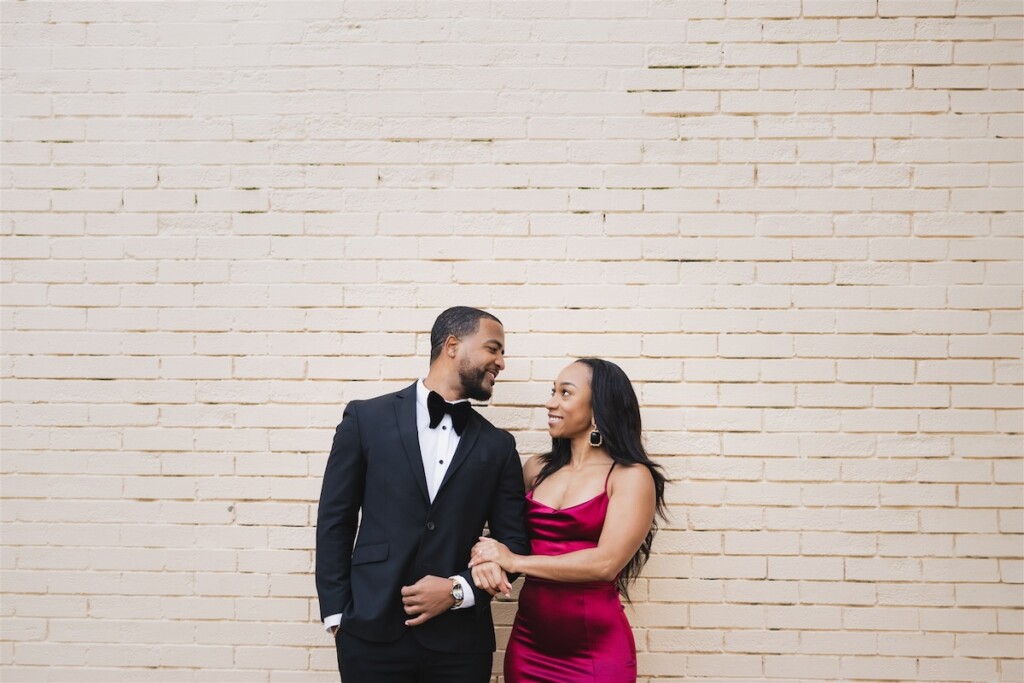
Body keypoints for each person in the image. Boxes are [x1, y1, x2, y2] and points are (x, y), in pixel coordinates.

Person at [316, 306, 530, 683]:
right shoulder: (366, 419)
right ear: (452, 345)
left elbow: (513, 542)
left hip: (460, 645)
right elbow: (336, 520)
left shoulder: (499, 446)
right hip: (368, 634)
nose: (500, 363)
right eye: (493, 349)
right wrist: (337, 616)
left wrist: (457, 590)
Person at [469, 358, 668, 683]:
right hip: (529, 645)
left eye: (565, 393)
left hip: (596, 652)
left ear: (598, 407)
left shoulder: (630, 476)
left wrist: (514, 560)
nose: (551, 402)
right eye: (552, 392)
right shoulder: (536, 468)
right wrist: (484, 557)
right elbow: (504, 532)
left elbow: (605, 563)